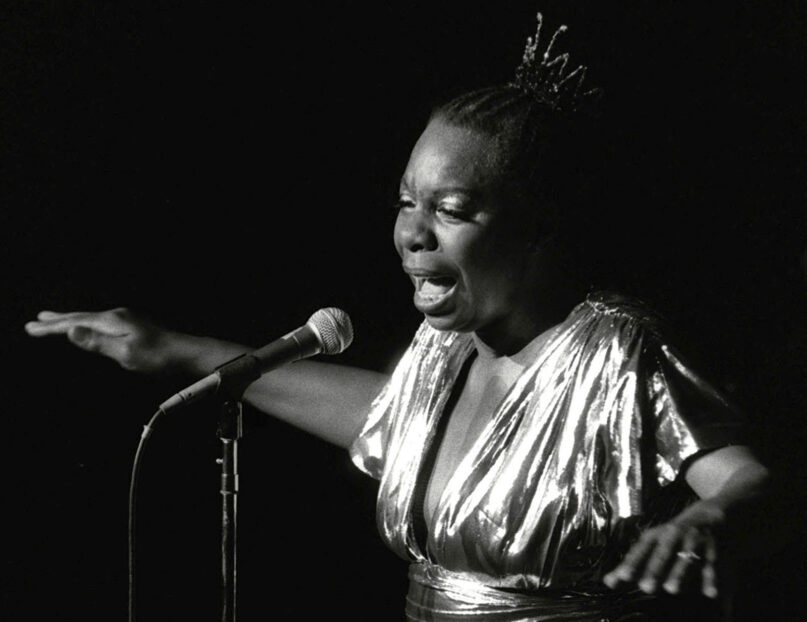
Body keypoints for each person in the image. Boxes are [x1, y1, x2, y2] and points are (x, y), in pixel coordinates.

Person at [26, 14, 773, 622]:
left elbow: (748, 481)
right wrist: (177, 350)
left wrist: (706, 521)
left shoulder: (617, 349)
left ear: (538, 227)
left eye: (450, 210)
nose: (412, 233)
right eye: (404, 202)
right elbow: (389, 424)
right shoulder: (442, 350)